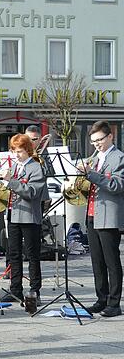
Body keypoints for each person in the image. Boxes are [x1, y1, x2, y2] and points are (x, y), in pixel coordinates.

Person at [79, 121, 124, 317]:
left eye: (99, 140)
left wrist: (91, 174)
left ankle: (114, 304)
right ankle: (101, 299)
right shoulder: (94, 157)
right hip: (92, 213)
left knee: (111, 261)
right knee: (96, 261)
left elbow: (116, 185)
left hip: (109, 216)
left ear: (110, 136)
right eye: (93, 141)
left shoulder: (119, 157)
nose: (96, 144)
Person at [0, 134, 46, 305]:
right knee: (14, 254)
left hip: (30, 216)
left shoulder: (35, 167)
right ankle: (15, 289)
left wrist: (10, 181)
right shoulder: (14, 167)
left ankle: (34, 291)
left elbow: (31, 192)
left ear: (28, 150)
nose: (16, 155)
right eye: (14, 151)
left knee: (32, 255)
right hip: (13, 214)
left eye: (20, 151)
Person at [25, 125, 54, 212]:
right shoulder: (20, 153)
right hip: (21, 193)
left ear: (40, 139)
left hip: (39, 195)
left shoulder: (46, 154)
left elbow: (50, 172)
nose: (31, 142)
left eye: (34, 139)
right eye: (28, 139)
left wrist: (39, 159)